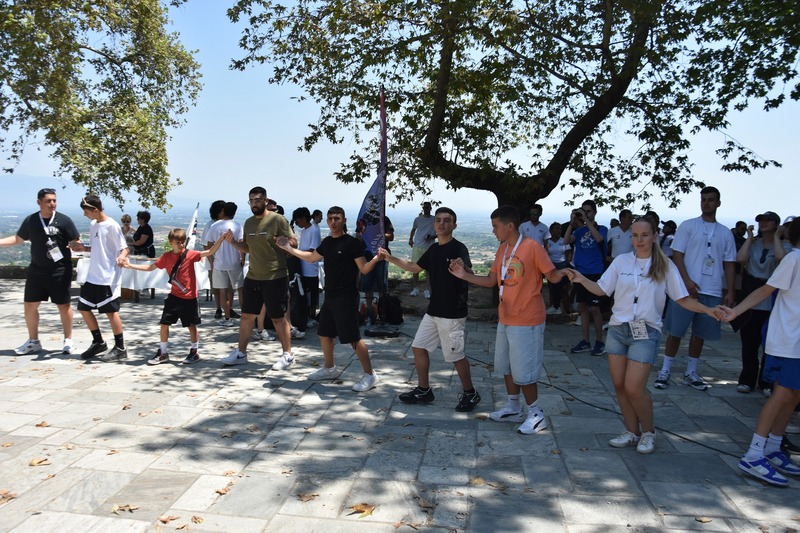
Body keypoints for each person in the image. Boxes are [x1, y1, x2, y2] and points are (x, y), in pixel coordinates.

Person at [567, 217, 719, 454]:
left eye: (645, 235)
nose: (639, 240)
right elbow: (602, 289)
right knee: (619, 386)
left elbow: (682, 299)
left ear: (655, 236)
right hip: (618, 330)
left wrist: (708, 310)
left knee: (634, 388)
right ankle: (632, 432)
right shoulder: (622, 261)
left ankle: (648, 432)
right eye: (635, 235)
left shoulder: (665, 265)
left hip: (646, 332)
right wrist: (581, 278)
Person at [449, 206, 566, 434]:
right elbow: (492, 280)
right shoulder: (503, 249)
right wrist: (464, 275)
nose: (493, 231)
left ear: (510, 226)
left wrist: (567, 273)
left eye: (496, 226)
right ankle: (514, 408)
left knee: (525, 371)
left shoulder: (532, 247)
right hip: (506, 317)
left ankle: (536, 414)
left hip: (527, 319)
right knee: (507, 366)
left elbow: (552, 276)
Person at [716, 218, 800, 486]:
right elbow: (766, 289)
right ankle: (754, 454)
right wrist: (736, 311)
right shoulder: (794, 259)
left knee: (794, 395)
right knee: (782, 394)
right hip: (788, 341)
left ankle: (773, 447)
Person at [381, 207, 480, 411]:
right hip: (434, 311)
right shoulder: (434, 249)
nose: (441, 223)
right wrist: (390, 258)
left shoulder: (458, 248)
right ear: (434, 225)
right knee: (418, 347)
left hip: (452, 313)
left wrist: (463, 268)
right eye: (438, 220)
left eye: (446, 220)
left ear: (454, 225)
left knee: (456, 356)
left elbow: (470, 274)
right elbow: (414, 267)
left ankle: (470, 393)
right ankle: (424, 390)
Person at [276, 206, 383, 392]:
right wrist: (288, 249)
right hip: (330, 296)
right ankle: (329, 368)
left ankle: (370, 375)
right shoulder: (327, 243)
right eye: (331, 218)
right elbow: (311, 257)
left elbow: (364, 269)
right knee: (324, 333)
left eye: (337, 218)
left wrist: (376, 258)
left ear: (344, 220)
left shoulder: (352, 243)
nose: (333, 222)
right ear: (327, 221)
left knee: (353, 338)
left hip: (347, 297)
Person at [654, 186, 736, 391]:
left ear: (718, 203)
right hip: (684, 290)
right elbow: (677, 255)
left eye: (711, 199)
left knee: (700, 333)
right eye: (703, 199)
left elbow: (729, 263)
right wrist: (686, 281)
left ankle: (691, 371)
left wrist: (730, 290)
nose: (706, 203)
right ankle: (665, 370)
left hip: (712, 289)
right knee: (675, 330)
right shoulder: (688, 226)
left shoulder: (725, 233)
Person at [122, 228, 231, 365]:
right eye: (177, 242)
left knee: (191, 325)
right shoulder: (166, 257)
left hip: (189, 297)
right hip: (174, 296)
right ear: (171, 243)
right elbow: (150, 268)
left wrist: (221, 239)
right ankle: (163, 352)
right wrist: (130, 266)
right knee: (164, 324)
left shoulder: (190, 254)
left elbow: (210, 251)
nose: (181, 245)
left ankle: (194, 351)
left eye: (182, 242)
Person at [0, 188, 80, 355]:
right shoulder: (31, 220)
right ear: (39, 202)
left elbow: (75, 240)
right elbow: (18, 239)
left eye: (54, 200)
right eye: (48, 201)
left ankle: (68, 340)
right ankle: (33, 341)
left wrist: (75, 244)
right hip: (37, 270)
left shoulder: (64, 220)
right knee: (30, 305)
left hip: (60, 270)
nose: (52, 204)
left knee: (63, 305)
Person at [224, 187, 296, 369]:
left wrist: (286, 243)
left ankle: (288, 355)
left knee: (278, 317)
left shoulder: (278, 220)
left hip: (275, 276)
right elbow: (248, 247)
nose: (254, 204)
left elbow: (294, 242)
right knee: (247, 316)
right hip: (253, 276)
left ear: (265, 201)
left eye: (257, 200)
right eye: (251, 201)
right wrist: (233, 243)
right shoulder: (249, 223)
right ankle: (241, 353)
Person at [734, 211, 790, 394]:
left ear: (776, 224)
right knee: (749, 343)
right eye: (761, 221)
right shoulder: (754, 244)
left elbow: (781, 258)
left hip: (771, 301)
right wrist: (750, 238)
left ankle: (766, 382)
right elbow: (740, 259)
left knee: (769, 344)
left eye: (768, 221)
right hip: (751, 298)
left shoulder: (783, 246)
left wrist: (777, 238)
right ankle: (747, 379)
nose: (763, 223)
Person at [69, 196, 129, 362]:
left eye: (86, 211)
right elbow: (97, 248)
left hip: (108, 277)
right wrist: (82, 247)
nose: (84, 214)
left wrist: (121, 257)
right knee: (83, 308)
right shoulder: (93, 224)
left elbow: (124, 248)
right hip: (93, 276)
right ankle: (98, 342)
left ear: (95, 210)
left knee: (111, 312)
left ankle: (120, 348)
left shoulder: (112, 225)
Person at [564, 199, 608, 356]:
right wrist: (572, 223)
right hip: (580, 273)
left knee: (594, 308)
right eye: (583, 211)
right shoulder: (579, 231)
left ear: (595, 212)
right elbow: (566, 241)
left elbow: (599, 239)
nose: (585, 214)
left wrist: (587, 221)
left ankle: (599, 341)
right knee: (582, 307)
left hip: (595, 272)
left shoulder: (602, 229)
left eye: (588, 211)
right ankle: (585, 340)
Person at [207, 202, 245, 327]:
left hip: (219, 263)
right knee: (240, 290)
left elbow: (209, 245)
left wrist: (212, 262)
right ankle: (245, 317)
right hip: (235, 262)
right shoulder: (237, 226)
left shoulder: (214, 226)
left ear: (223, 211)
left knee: (223, 291)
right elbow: (242, 244)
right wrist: (242, 259)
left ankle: (227, 318)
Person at [290, 207, 321, 332]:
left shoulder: (314, 231)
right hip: (302, 266)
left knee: (312, 294)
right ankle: (305, 315)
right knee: (304, 294)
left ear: (304, 218)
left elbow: (313, 250)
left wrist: (296, 252)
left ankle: (312, 316)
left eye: (297, 221)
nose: (297, 223)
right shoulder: (303, 232)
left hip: (311, 268)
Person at [201, 200, 226, 319]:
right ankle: (218, 308)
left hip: (226, 261)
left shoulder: (226, 223)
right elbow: (206, 245)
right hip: (214, 261)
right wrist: (212, 262)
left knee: (227, 287)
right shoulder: (210, 225)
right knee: (216, 287)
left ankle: (228, 309)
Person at [408, 201, 435, 298]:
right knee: (415, 268)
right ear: (423, 209)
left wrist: (432, 237)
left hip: (429, 247)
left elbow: (439, 231)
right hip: (418, 246)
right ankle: (415, 289)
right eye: (425, 207)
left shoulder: (435, 219)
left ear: (430, 208)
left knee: (428, 270)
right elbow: (413, 229)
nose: (426, 209)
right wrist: (411, 239)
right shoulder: (417, 219)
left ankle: (427, 290)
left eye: (427, 207)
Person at [545, 222, 571, 315]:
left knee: (564, 289)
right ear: (551, 230)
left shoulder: (564, 241)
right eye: (556, 229)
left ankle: (566, 310)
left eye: (560, 229)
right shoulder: (547, 242)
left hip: (562, 266)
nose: (558, 231)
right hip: (551, 266)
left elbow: (568, 254)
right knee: (552, 288)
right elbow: (545, 254)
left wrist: (567, 265)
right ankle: (554, 307)